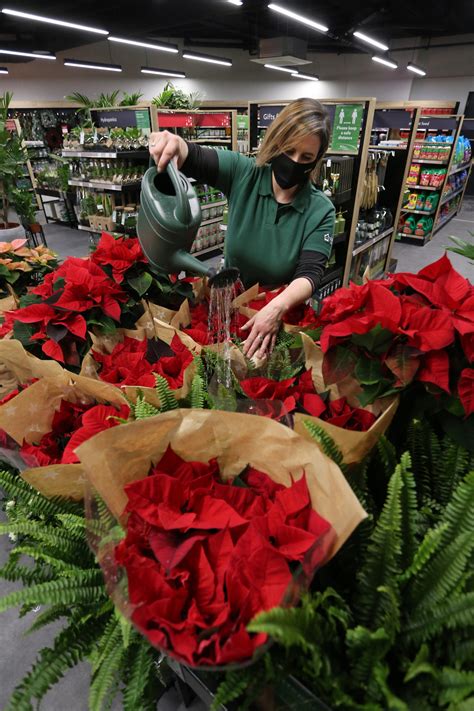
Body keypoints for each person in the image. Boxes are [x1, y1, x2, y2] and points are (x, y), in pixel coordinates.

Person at [148, 97, 335, 359]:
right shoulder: (244, 173)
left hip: (276, 318)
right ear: (276, 142)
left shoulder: (320, 210)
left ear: (317, 160)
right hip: (230, 307)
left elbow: (310, 273)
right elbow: (196, 157)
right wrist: (174, 143)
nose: (294, 162)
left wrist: (276, 308)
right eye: (289, 150)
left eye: (306, 157)